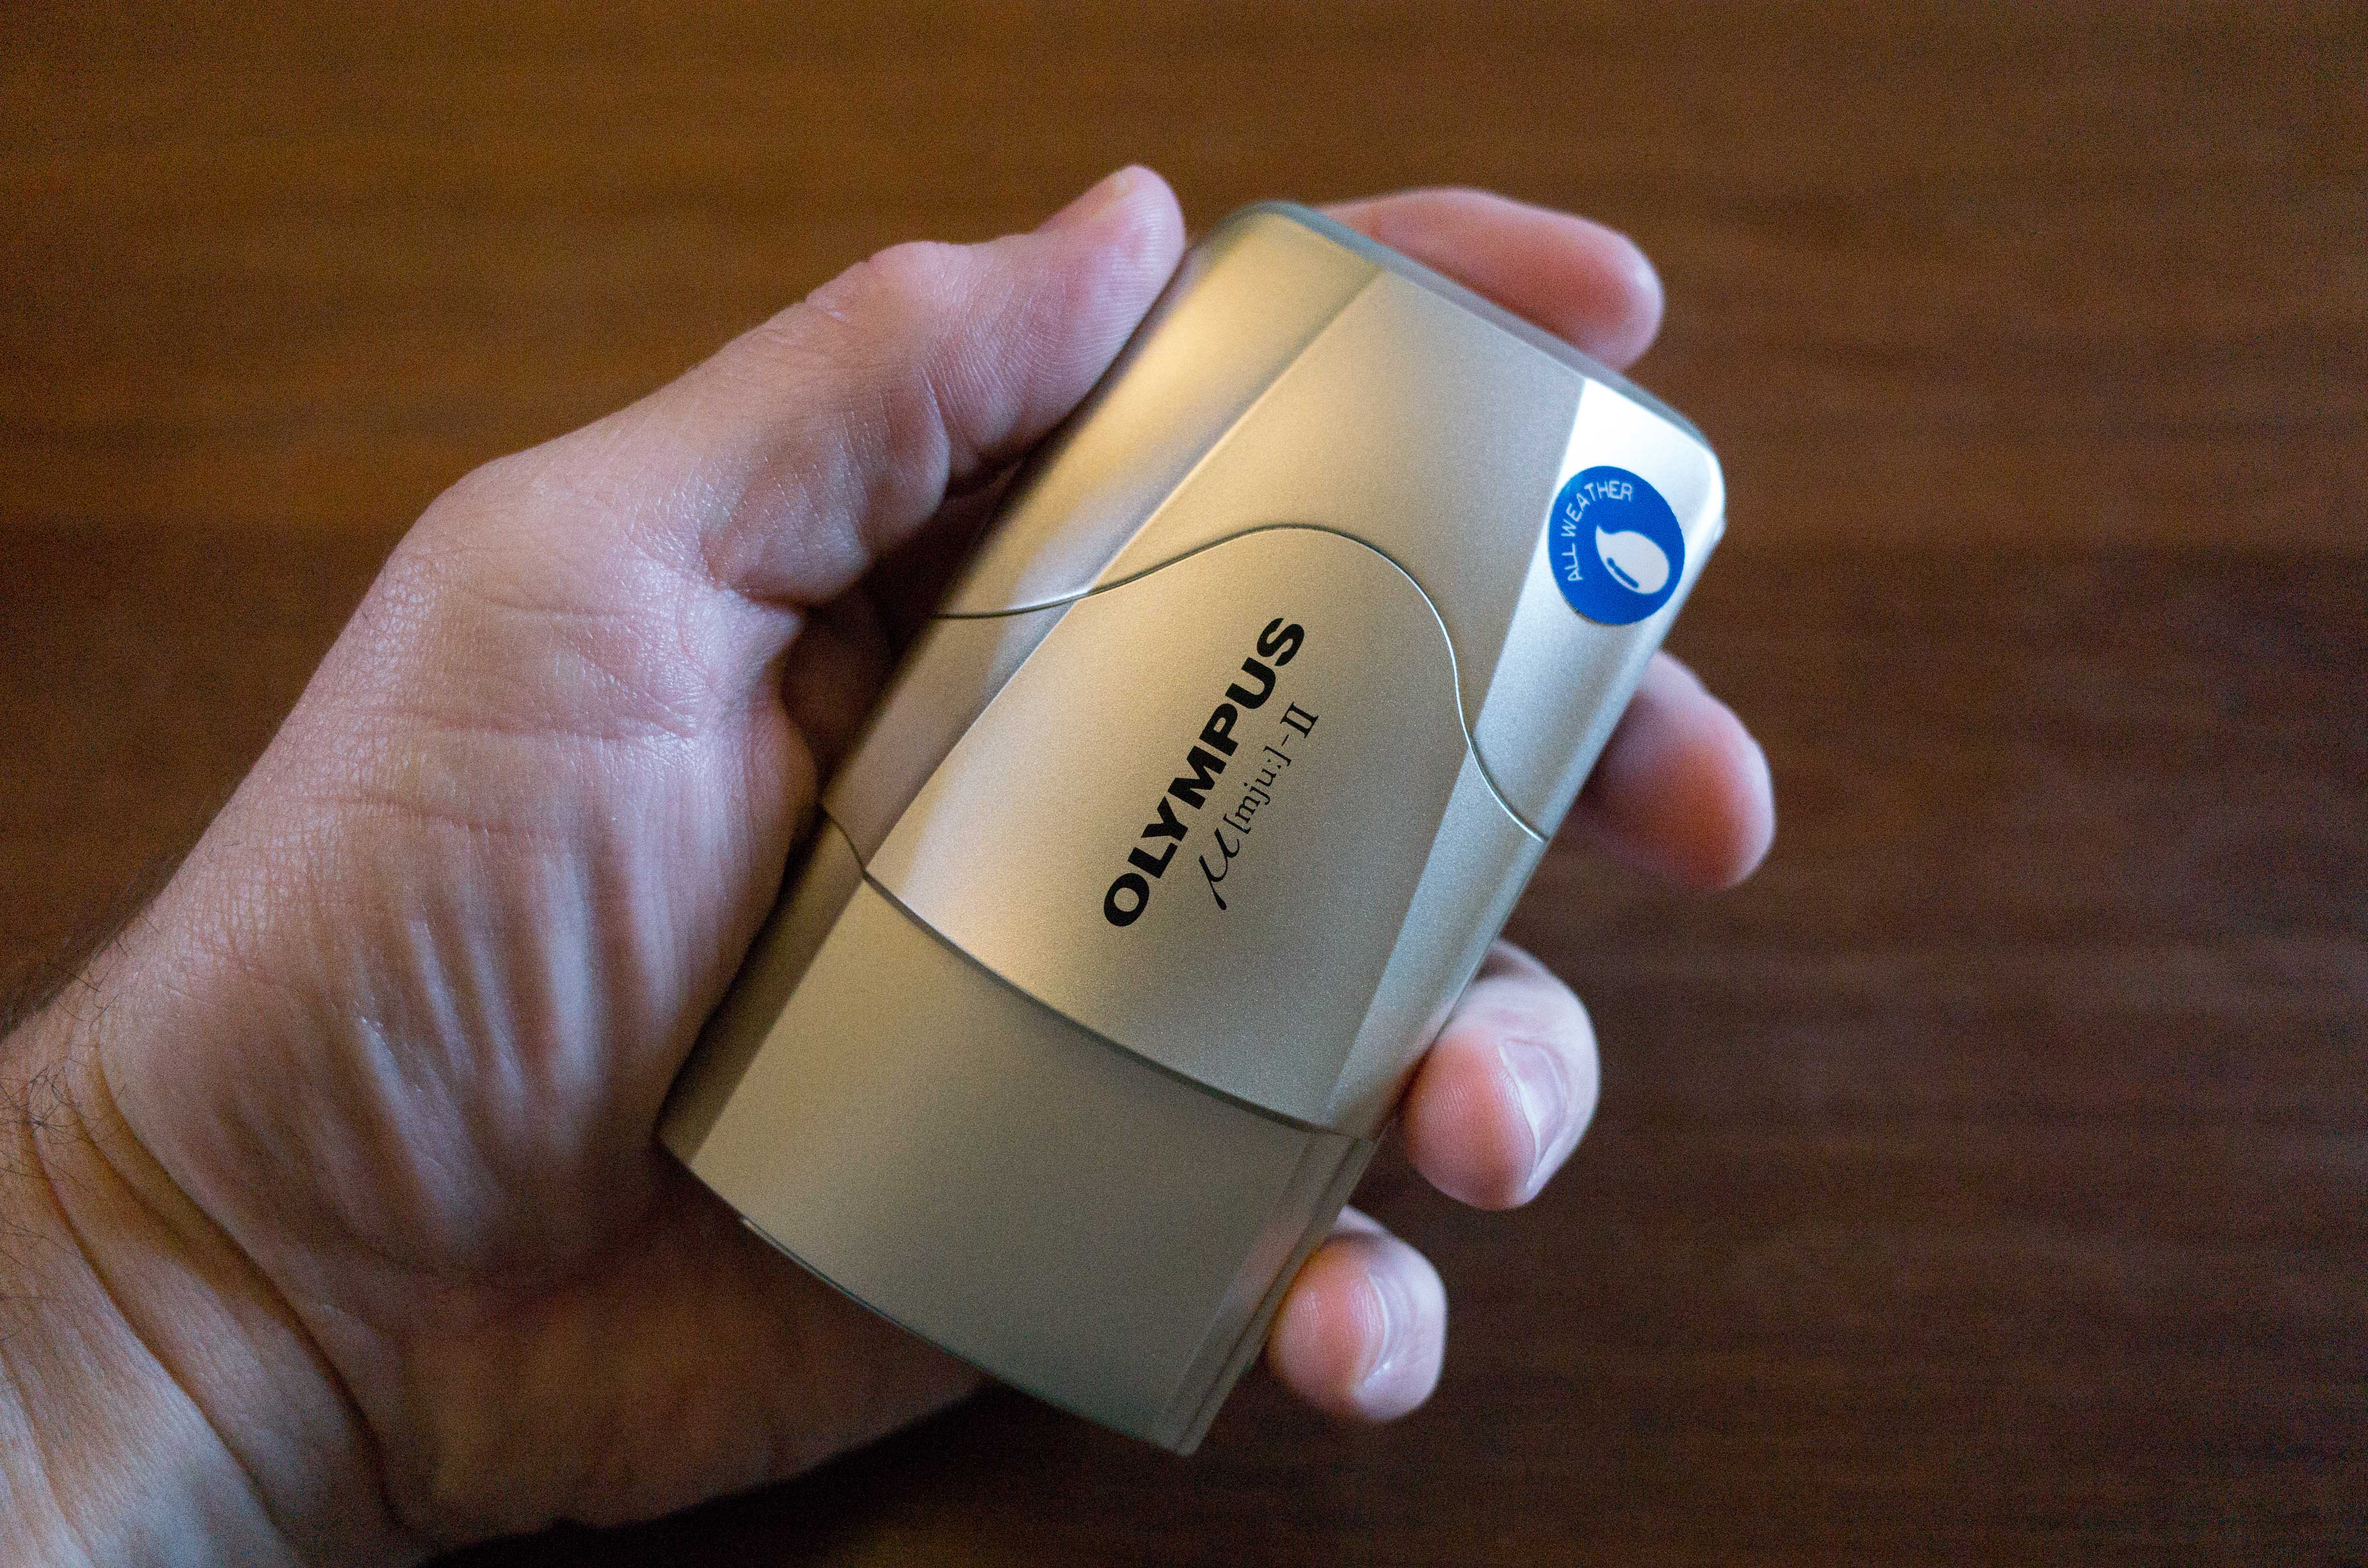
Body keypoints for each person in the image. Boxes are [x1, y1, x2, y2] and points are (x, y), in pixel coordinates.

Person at [0, 168, 1773, 1563]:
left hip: (855, 1150)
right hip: (789, 1133)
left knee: (1452, 1058)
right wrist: (191, 1280)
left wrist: (171, 1288)